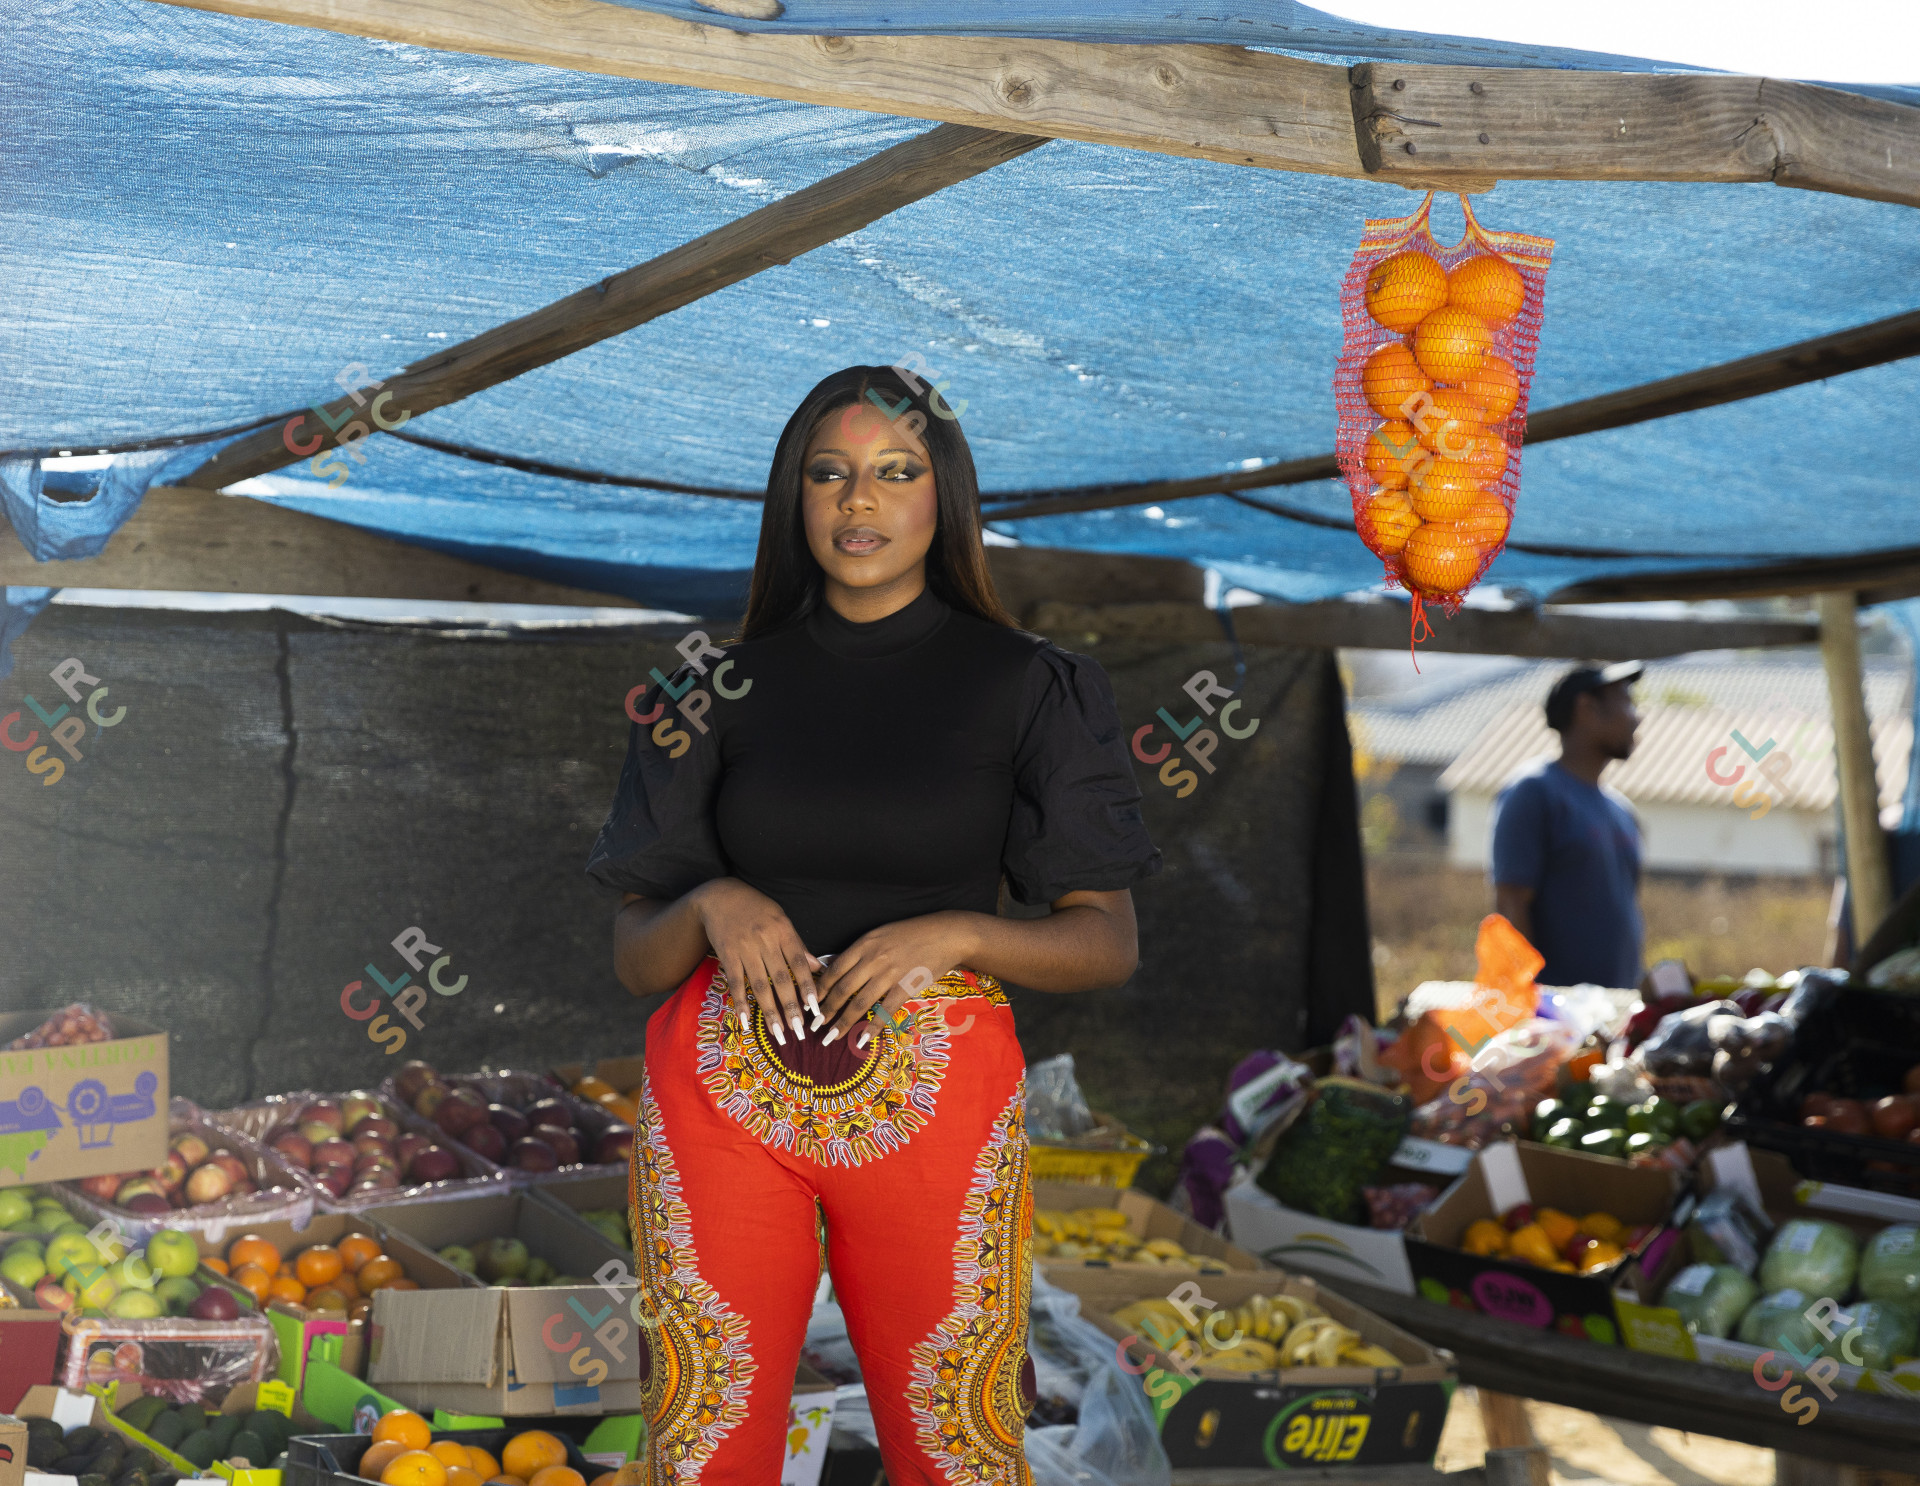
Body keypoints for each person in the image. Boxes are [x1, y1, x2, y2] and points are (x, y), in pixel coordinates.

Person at [586, 365, 1160, 1484]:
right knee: (706, 1444)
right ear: (794, 501)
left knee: (957, 1446)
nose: (860, 503)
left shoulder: (1031, 685)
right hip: (720, 1106)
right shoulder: (712, 688)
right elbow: (634, 954)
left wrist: (958, 934)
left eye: (896, 473)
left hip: (937, 1110)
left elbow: (1105, 940)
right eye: (830, 475)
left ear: (941, 496)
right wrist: (711, 900)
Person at [1490, 661, 1644, 988]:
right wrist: (1532, 1002)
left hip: (1611, 1011)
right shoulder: (1534, 792)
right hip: (1556, 1017)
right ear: (1586, 708)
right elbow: (1511, 903)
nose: (1636, 716)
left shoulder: (1621, 810)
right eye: (1626, 702)